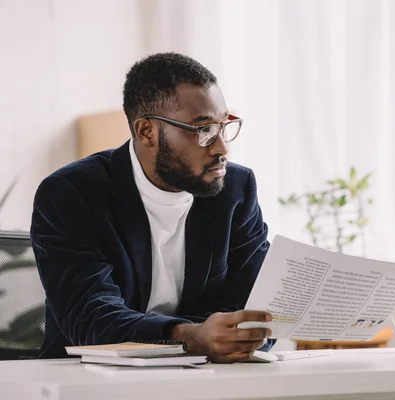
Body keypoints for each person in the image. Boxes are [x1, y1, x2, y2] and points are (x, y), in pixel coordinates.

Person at [30, 52, 273, 363]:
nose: (222, 147)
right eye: (203, 131)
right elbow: (91, 318)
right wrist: (191, 338)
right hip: (89, 376)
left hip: (204, 376)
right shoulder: (71, 193)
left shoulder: (236, 189)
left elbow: (252, 302)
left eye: (223, 125)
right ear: (147, 131)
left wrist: (228, 338)